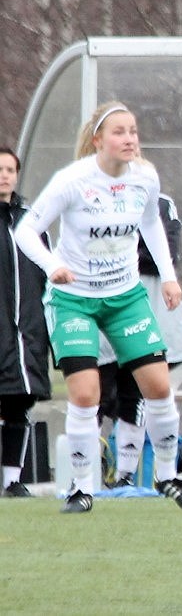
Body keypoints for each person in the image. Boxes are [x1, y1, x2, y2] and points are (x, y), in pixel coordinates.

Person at [13, 101, 182, 513]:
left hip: (125, 298)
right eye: (119, 132)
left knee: (158, 387)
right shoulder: (73, 180)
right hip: (74, 300)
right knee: (86, 395)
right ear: (98, 140)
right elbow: (26, 230)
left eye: (133, 131)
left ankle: (169, 477)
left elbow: (150, 223)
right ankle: (81, 489)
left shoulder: (144, 178)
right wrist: (52, 265)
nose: (130, 139)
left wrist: (169, 276)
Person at [98, 184, 182, 487]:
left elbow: (165, 253)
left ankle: (131, 475)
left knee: (139, 393)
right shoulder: (91, 196)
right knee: (95, 393)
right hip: (101, 307)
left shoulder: (162, 204)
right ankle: (84, 476)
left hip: (147, 312)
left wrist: (122, 253)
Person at [0, 147, 51, 497]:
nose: (4, 176)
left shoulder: (32, 222)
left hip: (26, 331)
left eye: (9, 170)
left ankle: (12, 481)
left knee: (19, 402)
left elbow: (49, 272)